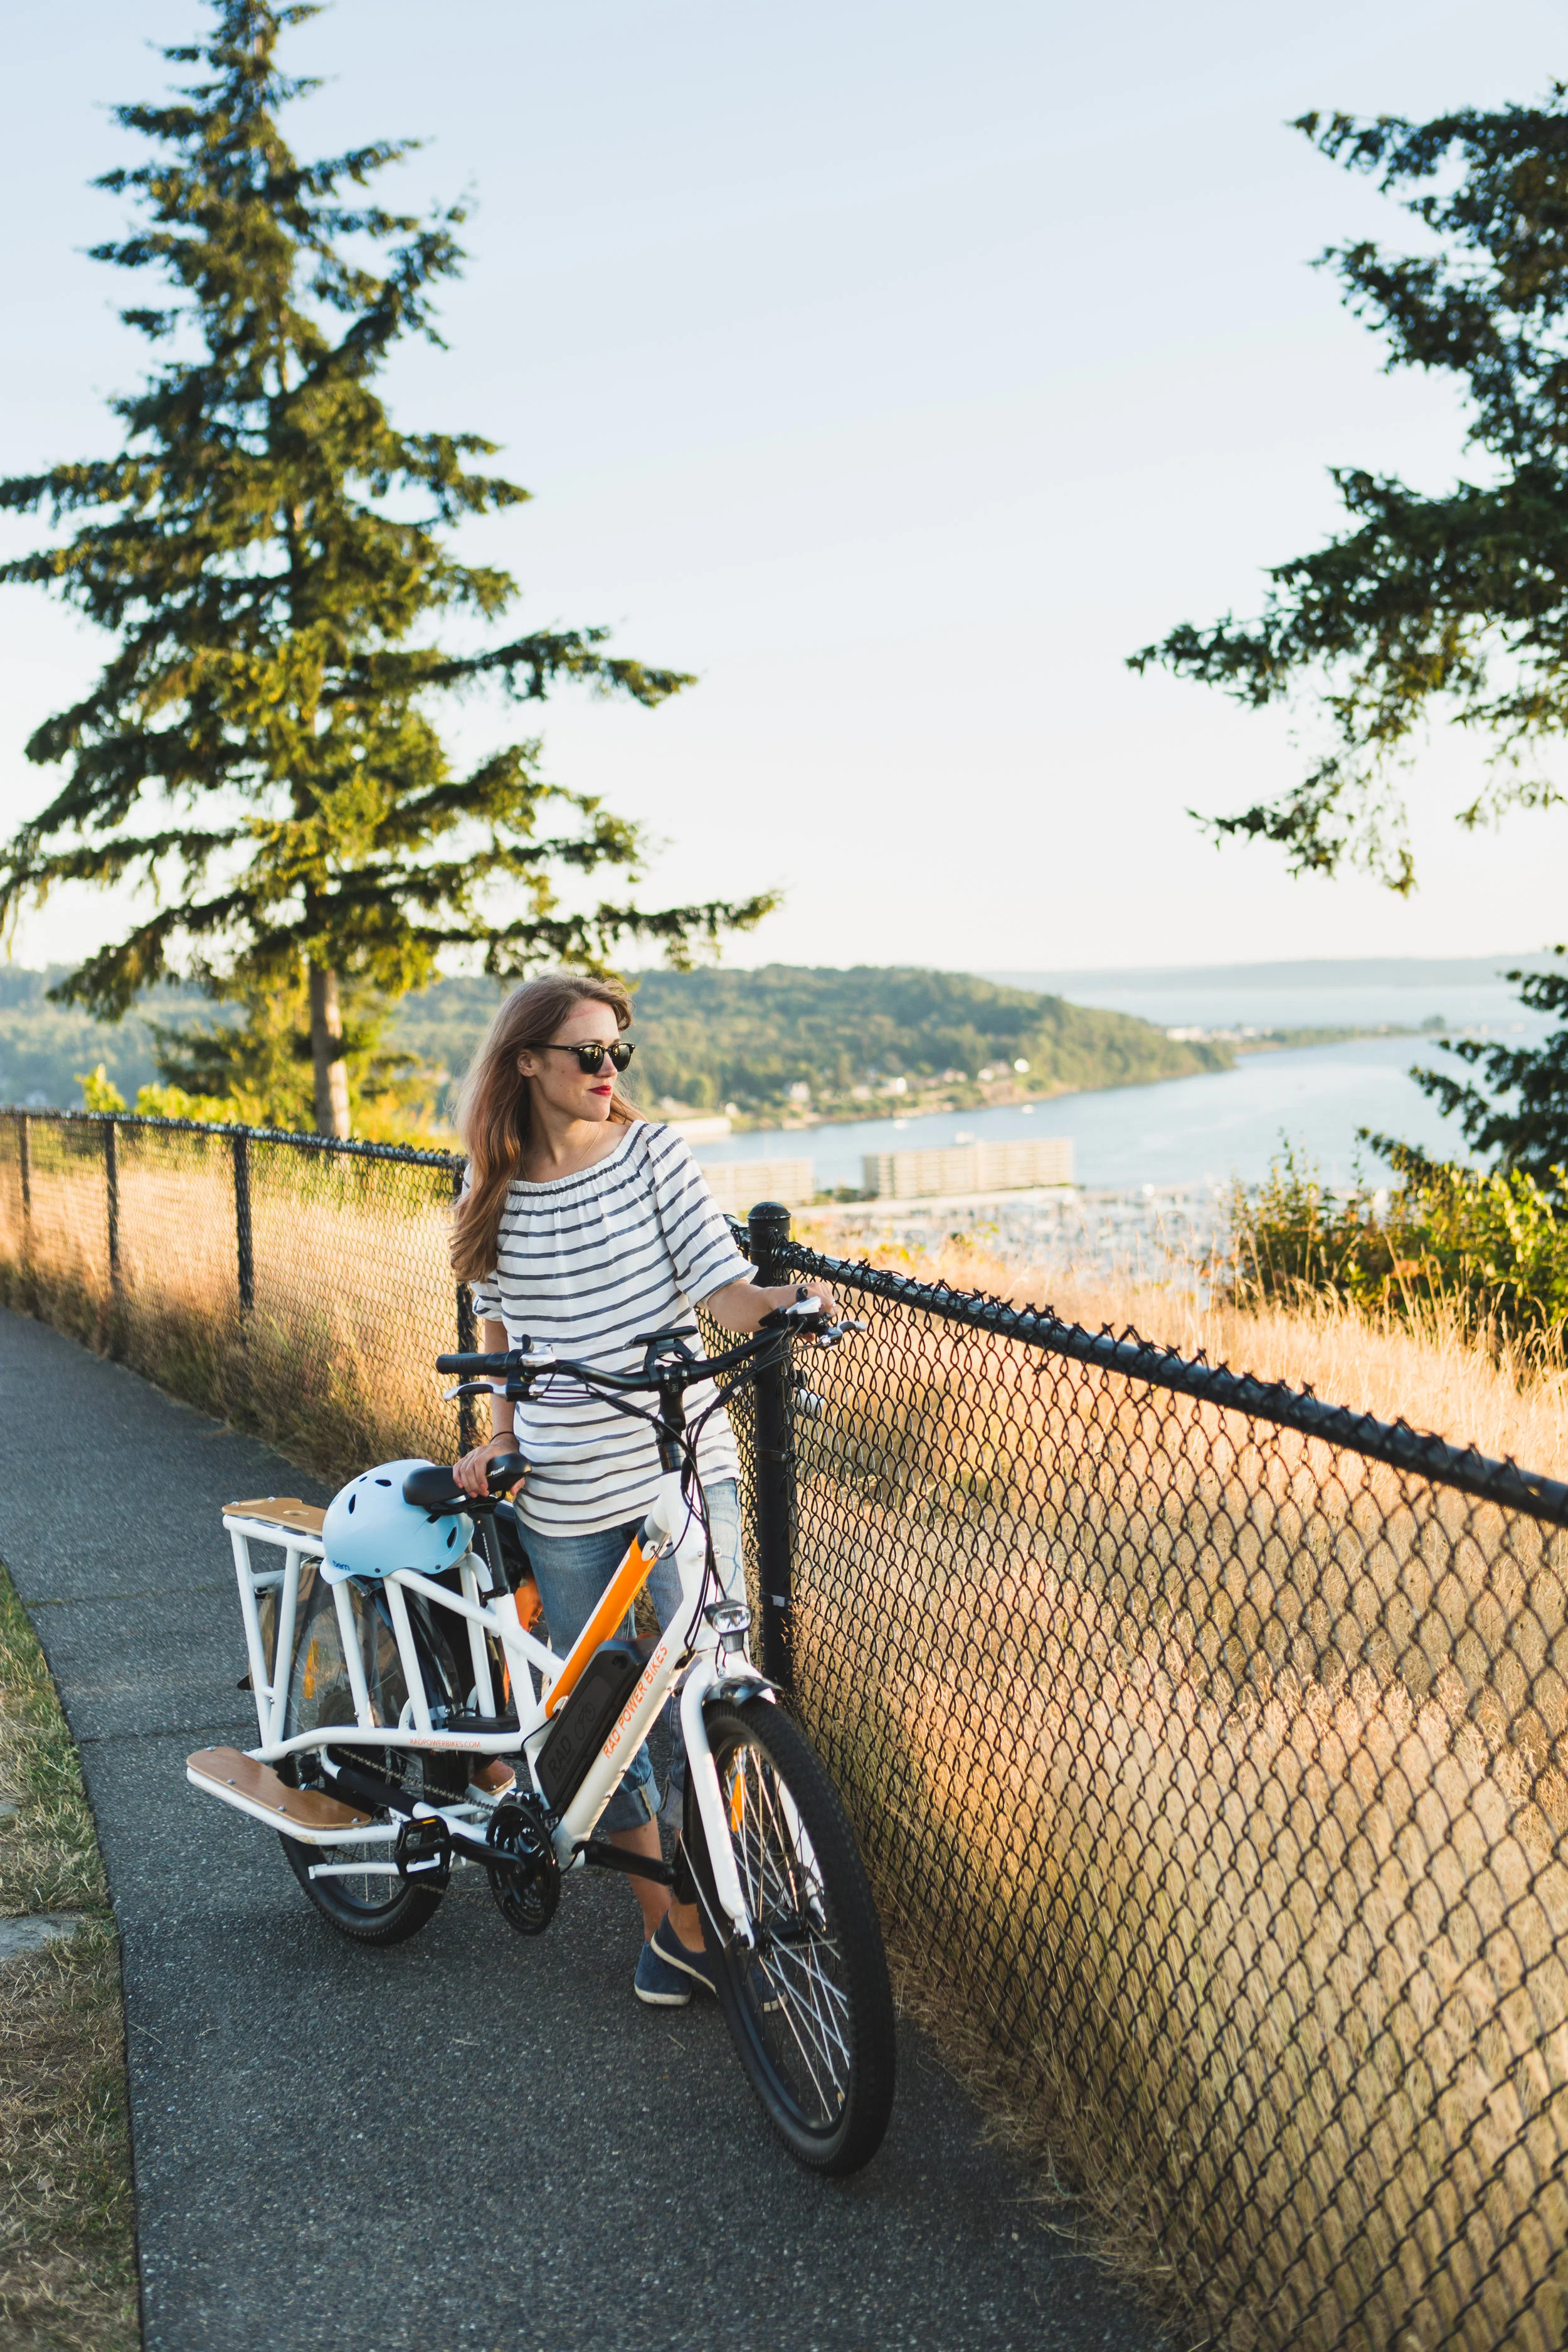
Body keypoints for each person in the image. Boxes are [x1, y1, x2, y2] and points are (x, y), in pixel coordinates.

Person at [448, 970, 834, 2006]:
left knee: (715, 1671)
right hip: (565, 1487)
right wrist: (499, 1436)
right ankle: (670, 1931)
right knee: (603, 1707)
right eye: (587, 1053)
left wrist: (791, 1302)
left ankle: (729, 1892)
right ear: (528, 1061)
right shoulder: (489, 1182)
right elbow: (496, 1331)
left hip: (680, 1462)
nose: (607, 1070)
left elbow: (721, 1286)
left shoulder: (656, 1152)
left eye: (619, 1050)